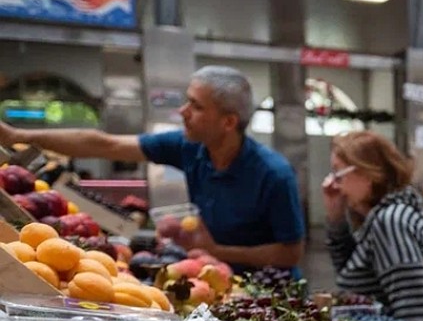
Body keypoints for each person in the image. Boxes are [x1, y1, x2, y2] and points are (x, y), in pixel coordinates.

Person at [0, 66, 304, 273]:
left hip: (265, 293)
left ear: (228, 122)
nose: (183, 112)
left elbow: (291, 253)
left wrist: (217, 250)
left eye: (196, 106)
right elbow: (105, 145)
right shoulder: (191, 148)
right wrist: (18, 136)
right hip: (209, 273)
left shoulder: (273, 174)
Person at [322, 131, 423, 321]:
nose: (332, 184)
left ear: (368, 173)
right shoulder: (382, 216)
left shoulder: (391, 222)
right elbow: (350, 271)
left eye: (339, 174)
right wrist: (335, 218)